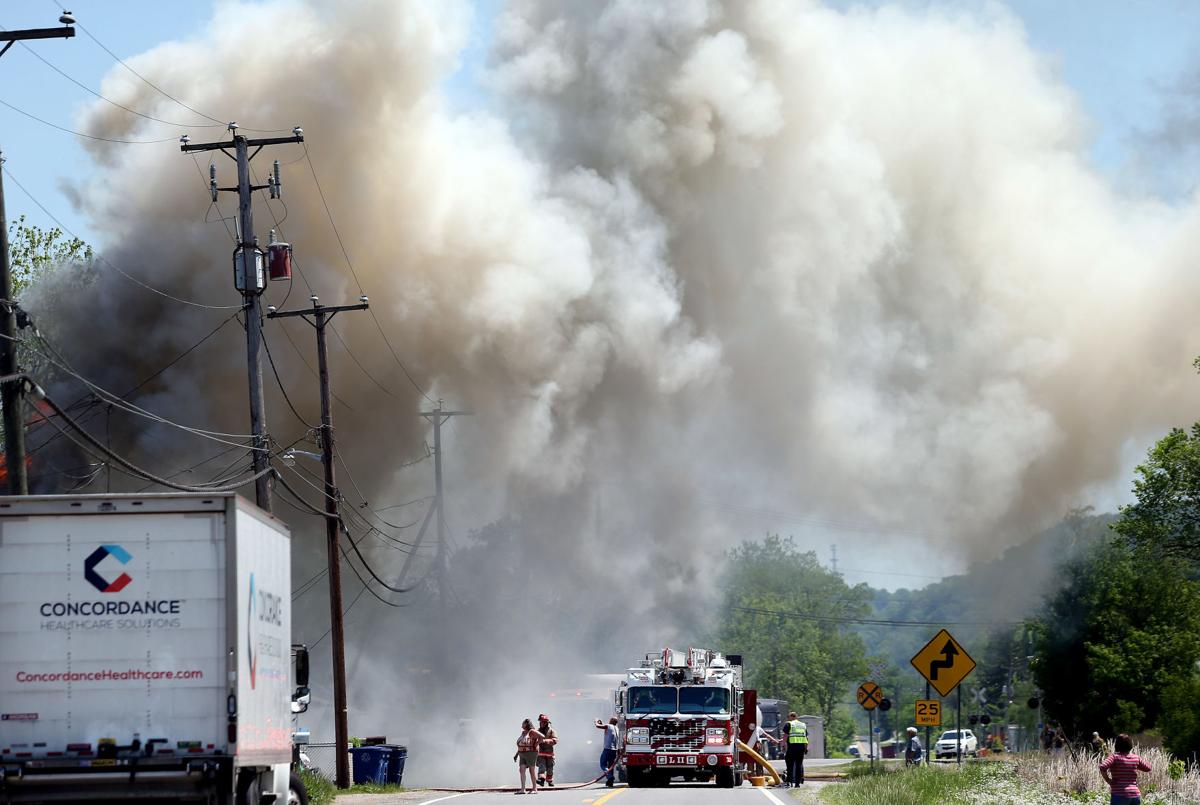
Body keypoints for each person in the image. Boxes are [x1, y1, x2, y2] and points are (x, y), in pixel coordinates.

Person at [1099, 733, 1151, 805]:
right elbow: (1148, 768)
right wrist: (1134, 765)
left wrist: (1108, 780)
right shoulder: (1136, 758)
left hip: (1119, 795)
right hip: (1135, 795)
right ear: (1130, 744)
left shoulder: (1114, 757)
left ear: (1117, 745)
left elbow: (1102, 767)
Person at [515, 718, 544, 795]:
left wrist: (536, 744)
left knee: (531, 770)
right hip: (522, 753)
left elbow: (542, 737)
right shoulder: (523, 732)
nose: (522, 724)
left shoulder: (532, 731)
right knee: (521, 770)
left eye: (523, 723)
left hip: (531, 753)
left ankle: (535, 788)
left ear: (527, 724)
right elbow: (521, 743)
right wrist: (516, 754)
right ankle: (523, 789)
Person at [781, 711, 808, 787]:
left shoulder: (789, 724)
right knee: (799, 765)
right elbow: (805, 737)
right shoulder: (803, 725)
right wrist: (806, 748)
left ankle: (789, 782)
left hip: (792, 747)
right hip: (801, 747)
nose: (788, 719)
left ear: (791, 717)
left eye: (788, 717)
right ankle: (797, 783)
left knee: (790, 764)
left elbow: (785, 736)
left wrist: (783, 746)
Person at [594, 717, 619, 788]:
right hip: (614, 750)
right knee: (610, 766)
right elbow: (605, 728)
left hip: (607, 749)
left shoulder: (608, 726)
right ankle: (610, 782)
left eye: (610, 719)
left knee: (603, 764)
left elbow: (598, 726)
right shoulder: (616, 728)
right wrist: (601, 723)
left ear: (611, 721)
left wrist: (596, 721)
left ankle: (610, 776)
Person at [536, 714, 558, 788]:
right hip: (541, 753)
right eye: (541, 722)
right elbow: (534, 739)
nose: (541, 723)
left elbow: (555, 740)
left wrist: (545, 741)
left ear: (546, 723)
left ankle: (550, 781)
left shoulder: (551, 731)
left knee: (550, 768)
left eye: (543, 722)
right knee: (541, 767)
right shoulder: (537, 731)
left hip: (549, 753)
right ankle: (541, 781)